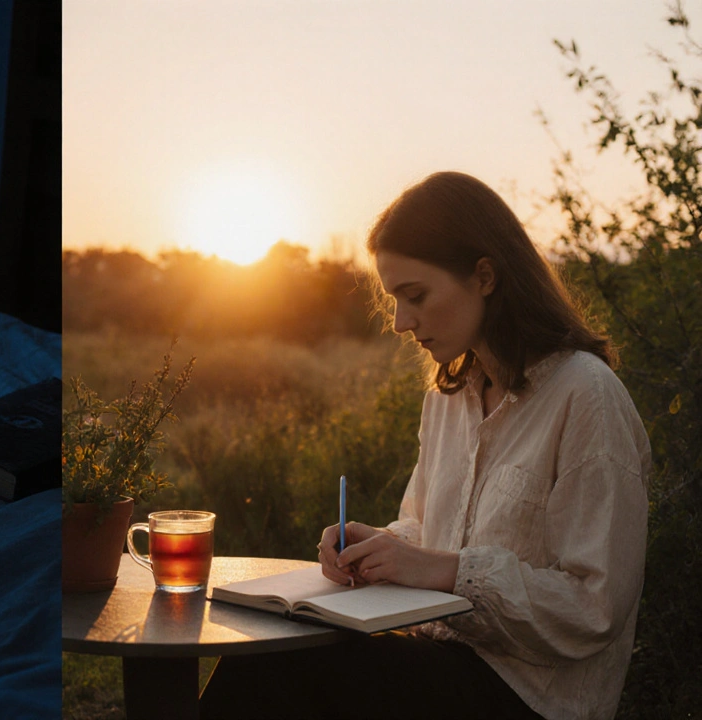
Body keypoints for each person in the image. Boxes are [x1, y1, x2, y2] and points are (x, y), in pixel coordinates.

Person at [199, 172, 650, 720]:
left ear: (484, 276)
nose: (399, 322)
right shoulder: (449, 398)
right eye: (394, 299)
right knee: (271, 643)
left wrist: (442, 569)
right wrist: (378, 550)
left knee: (278, 668)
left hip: (530, 697)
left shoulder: (586, 396)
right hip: (438, 662)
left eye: (415, 296)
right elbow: (422, 527)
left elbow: (593, 607)